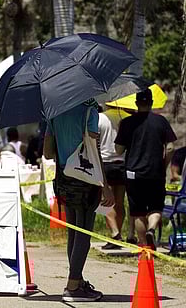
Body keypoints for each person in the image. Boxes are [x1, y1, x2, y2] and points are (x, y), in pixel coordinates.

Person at [43, 99, 114, 302]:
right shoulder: (89, 111)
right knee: (84, 233)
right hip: (85, 179)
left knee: (73, 231)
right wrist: (105, 185)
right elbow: (93, 151)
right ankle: (73, 286)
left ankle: (77, 279)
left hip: (64, 177)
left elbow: (47, 153)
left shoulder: (54, 111)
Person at [115, 89, 177, 250]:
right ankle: (151, 230)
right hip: (155, 172)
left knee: (138, 212)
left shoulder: (127, 123)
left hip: (133, 174)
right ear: (151, 103)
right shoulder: (161, 121)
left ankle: (144, 248)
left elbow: (119, 150)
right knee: (156, 207)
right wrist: (163, 164)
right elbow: (170, 148)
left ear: (136, 103)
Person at [99, 107, 136, 249]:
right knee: (120, 202)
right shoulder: (127, 118)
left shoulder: (100, 118)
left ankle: (115, 234)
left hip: (104, 163)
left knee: (105, 201)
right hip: (123, 162)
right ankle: (118, 232)